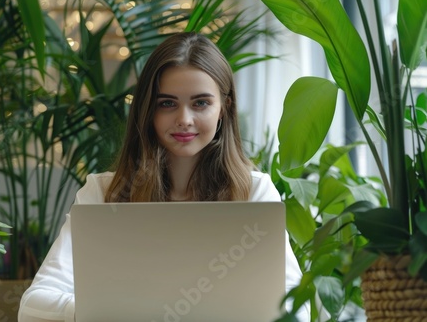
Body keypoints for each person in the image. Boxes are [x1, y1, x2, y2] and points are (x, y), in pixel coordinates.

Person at [18, 32, 307, 321]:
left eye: (201, 103)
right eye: (167, 103)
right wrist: (105, 310)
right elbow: (32, 307)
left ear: (224, 108)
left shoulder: (254, 193)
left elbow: (299, 311)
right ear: (148, 110)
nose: (184, 119)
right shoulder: (103, 193)